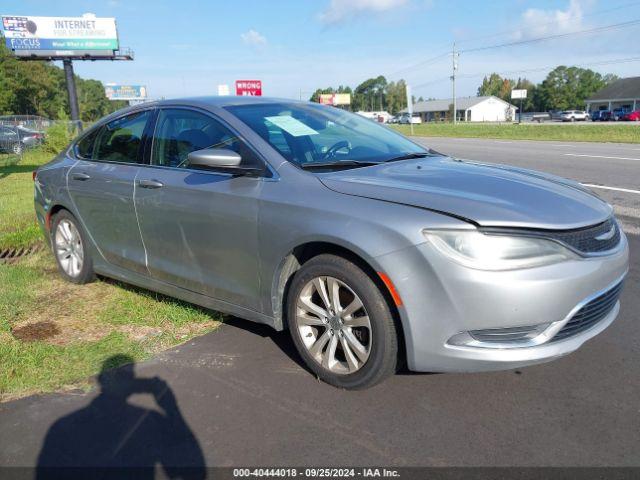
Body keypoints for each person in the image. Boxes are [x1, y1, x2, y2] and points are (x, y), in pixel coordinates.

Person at [36, 354, 206, 480]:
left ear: (101, 381)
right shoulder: (150, 421)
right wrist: (171, 407)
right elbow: (194, 472)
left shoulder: (61, 427)